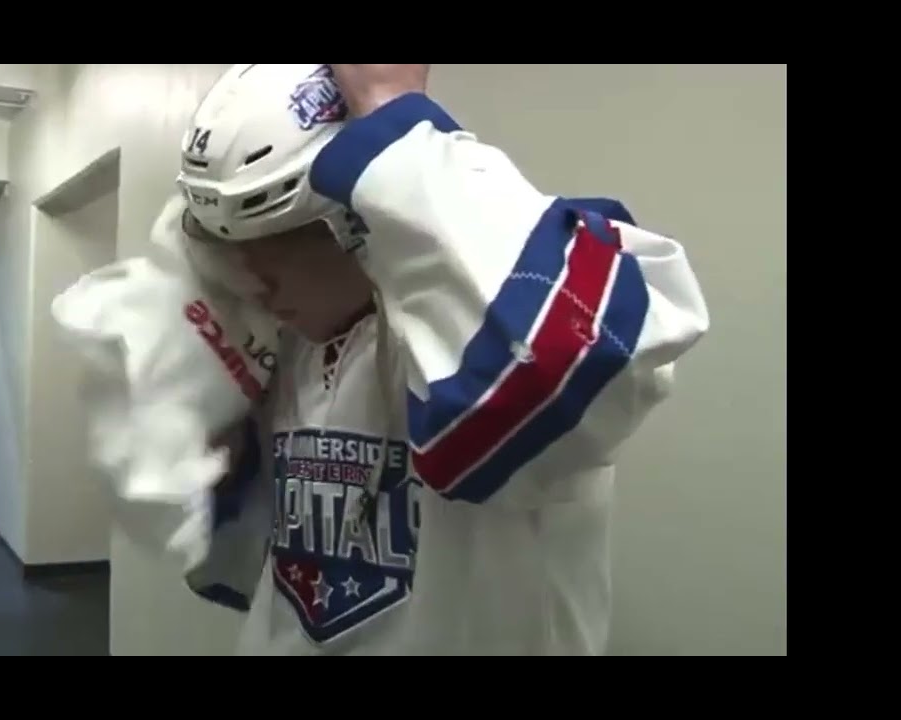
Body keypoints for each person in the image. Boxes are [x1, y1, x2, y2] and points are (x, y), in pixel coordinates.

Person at [173, 64, 710, 655]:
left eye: (272, 262)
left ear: (352, 225)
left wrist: (391, 114)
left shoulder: (482, 323)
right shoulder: (297, 353)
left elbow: (566, 355)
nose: (256, 288)